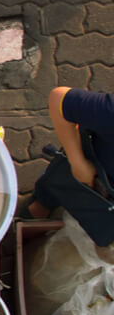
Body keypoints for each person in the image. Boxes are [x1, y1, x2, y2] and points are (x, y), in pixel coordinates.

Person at [25, 86, 114, 239]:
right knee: (57, 184)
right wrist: (78, 163)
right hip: (89, 169)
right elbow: (58, 99)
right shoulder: (110, 112)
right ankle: (43, 204)